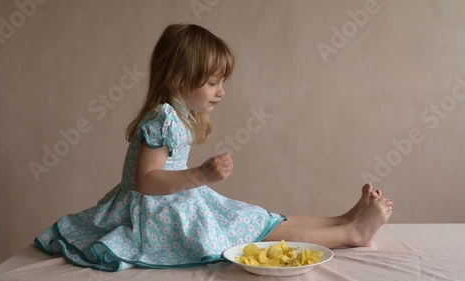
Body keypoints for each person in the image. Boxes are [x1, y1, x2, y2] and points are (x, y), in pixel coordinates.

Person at [34, 23, 393, 272]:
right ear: (178, 79)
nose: (221, 91)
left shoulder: (176, 116)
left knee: (257, 219)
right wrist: (200, 175)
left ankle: (344, 219)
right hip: (156, 215)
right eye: (211, 82)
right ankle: (351, 234)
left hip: (178, 201)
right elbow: (146, 181)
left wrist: (197, 181)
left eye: (222, 82)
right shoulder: (163, 118)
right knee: (255, 232)